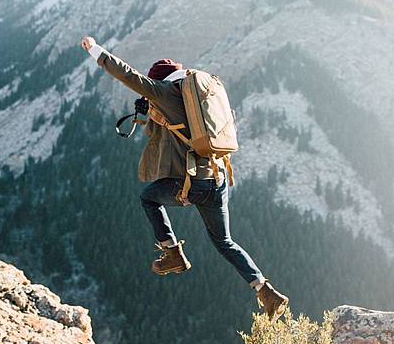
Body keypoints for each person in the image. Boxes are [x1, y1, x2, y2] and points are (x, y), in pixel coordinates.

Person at [81, 36, 289, 321]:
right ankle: (265, 290)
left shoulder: (163, 92)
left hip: (192, 184)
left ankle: (173, 253)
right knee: (224, 241)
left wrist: (95, 50)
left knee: (149, 198)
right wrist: (149, 115)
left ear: (160, 83)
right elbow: (169, 133)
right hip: (217, 181)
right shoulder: (194, 97)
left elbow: (127, 74)